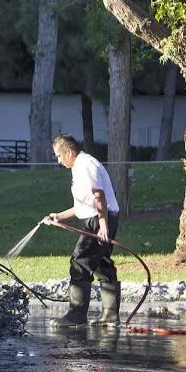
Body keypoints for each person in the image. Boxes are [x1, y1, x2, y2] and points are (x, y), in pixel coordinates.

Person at [43, 134, 122, 327]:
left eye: (59, 156)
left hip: (99, 219)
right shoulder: (80, 167)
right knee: (102, 263)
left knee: (80, 262)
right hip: (101, 217)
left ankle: (76, 316)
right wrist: (60, 216)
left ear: (68, 152)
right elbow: (84, 204)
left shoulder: (85, 165)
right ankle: (110, 317)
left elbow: (99, 196)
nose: (59, 161)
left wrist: (102, 225)